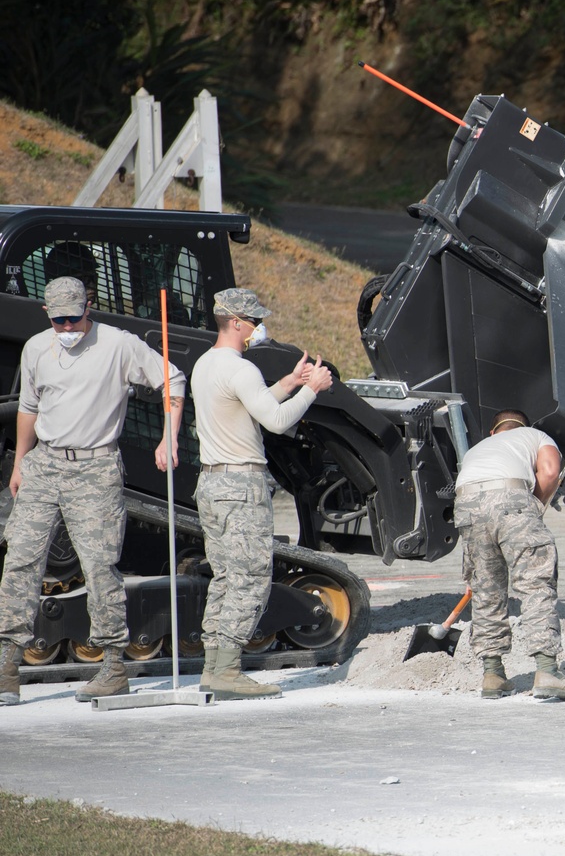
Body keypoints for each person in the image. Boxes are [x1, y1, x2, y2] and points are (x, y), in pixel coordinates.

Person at [0, 276, 185, 707]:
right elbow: (29, 407)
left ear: (89, 309)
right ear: (47, 313)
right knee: (21, 560)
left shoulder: (119, 345)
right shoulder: (36, 348)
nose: (67, 328)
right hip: (44, 464)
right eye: (58, 319)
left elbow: (172, 382)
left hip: (96, 466)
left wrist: (169, 438)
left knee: (100, 567)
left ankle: (113, 665)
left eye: (74, 318)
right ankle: (7, 664)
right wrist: (21, 462)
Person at [190, 288, 333, 698]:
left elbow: (250, 407)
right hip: (241, 485)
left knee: (225, 577)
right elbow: (274, 421)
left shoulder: (207, 364)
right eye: (253, 321)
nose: (257, 328)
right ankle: (228, 669)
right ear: (236, 322)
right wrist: (312, 390)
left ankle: (213, 666)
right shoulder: (241, 368)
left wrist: (290, 381)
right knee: (250, 577)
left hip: (213, 483)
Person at [453, 409, 565, 701]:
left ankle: (493, 675)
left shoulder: (477, 449)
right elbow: (551, 470)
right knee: (535, 583)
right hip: (511, 499)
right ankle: (547, 671)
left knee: (486, 589)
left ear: (493, 432)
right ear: (522, 428)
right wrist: (534, 507)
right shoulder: (535, 436)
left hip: (465, 503)